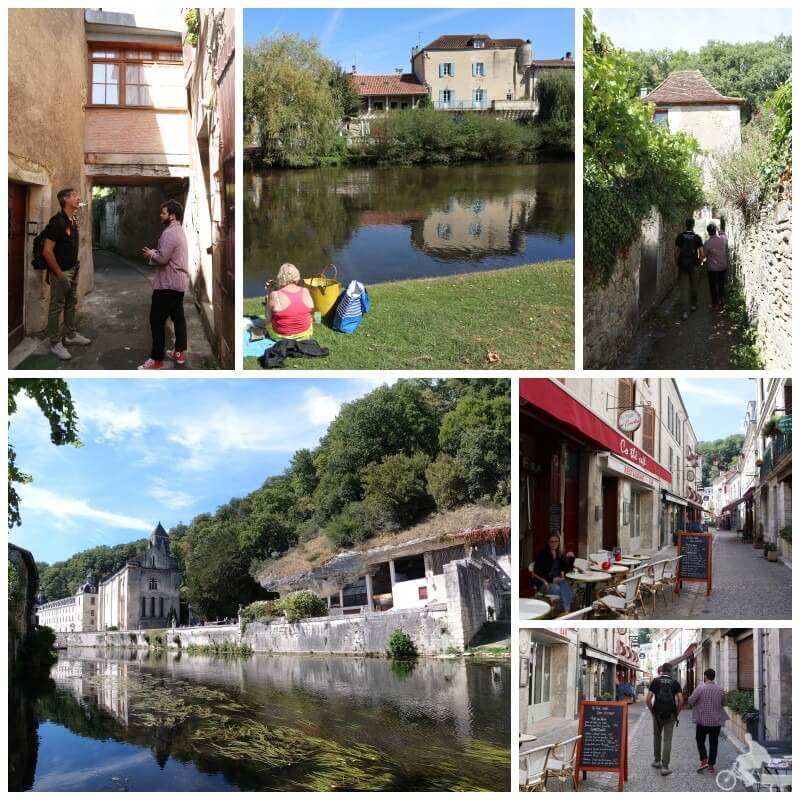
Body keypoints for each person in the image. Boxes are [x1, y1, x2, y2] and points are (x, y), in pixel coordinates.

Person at [139, 199, 190, 370]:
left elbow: (162, 258)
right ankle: (179, 352)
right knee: (178, 318)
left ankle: (156, 359)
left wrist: (151, 254)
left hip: (167, 284)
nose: (161, 216)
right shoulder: (179, 230)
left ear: (172, 215)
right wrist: (157, 253)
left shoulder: (170, 233)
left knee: (156, 320)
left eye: (163, 213)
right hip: (179, 284)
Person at [43, 188, 92, 360]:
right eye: (74, 196)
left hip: (74, 269)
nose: (78, 198)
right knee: (56, 306)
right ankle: (55, 343)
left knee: (71, 302)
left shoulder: (74, 219)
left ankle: (70, 335)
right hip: (61, 272)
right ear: (65, 200)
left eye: (77, 195)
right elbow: (47, 251)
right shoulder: (57, 222)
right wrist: (59, 274)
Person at [688, 668, 729, 774]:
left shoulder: (700, 689)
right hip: (716, 722)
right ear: (714, 677)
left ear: (705, 676)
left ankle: (704, 759)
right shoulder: (720, 690)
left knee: (700, 739)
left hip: (702, 721)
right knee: (714, 743)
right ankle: (711, 764)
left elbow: (690, 701)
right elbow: (724, 703)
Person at [647, 663, 683, 776]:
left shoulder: (655, 681)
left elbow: (648, 698)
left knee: (657, 736)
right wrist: (676, 713)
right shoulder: (675, 683)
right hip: (670, 714)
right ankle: (665, 767)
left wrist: (652, 711)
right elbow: (681, 701)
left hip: (657, 714)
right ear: (671, 671)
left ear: (662, 671)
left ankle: (657, 761)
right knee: (667, 740)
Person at [265, 263, 314, 340]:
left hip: (281, 337)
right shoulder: (305, 291)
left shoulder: (274, 295)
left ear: (280, 276)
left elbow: (268, 320)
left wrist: (269, 292)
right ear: (297, 275)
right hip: (305, 334)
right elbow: (311, 309)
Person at [529, 533, 573, 612]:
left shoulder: (559, 555)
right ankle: (566, 610)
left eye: (556, 541)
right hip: (544, 583)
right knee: (562, 590)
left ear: (558, 542)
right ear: (548, 542)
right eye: (551, 541)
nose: (553, 544)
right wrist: (552, 579)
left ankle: (565, 609)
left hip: (558, 581)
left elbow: (567, 570)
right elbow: (538, 572)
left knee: (565, 586)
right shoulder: (542, 555)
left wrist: (571, 559)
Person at [675, 217, 704, 321]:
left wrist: (677, 262)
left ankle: (684, 313)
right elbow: (702, 253)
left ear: (685, 225)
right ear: (693, 225)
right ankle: (694, 305)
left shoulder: (680, 236)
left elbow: (676, 252)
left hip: (683, 265)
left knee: (684, 289)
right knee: (694, 286)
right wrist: (699, 263)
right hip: (693, 265)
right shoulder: (697, 238)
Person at [704, 223, 729, 311]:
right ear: (715, 230)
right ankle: (722, 301)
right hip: (723, 266)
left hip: (713, 268)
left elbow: (705, 255)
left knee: (713, 286)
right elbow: (724, 234)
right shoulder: (723, 239)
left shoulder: (707, 243)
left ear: (708, 232)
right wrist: (719, 230)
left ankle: (715, 304)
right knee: (721, 284)